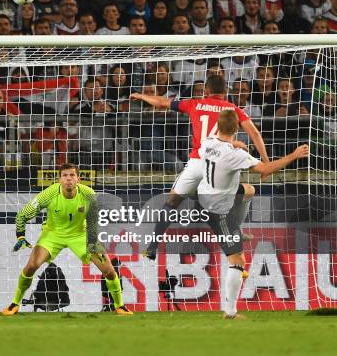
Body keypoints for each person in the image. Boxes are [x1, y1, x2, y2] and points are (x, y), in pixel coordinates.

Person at [130, 75, 269, 260]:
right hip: (221, 164)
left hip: (197, 162)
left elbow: (162, 102)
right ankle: (235, 230)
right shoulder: (233, 109)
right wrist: (266, 162)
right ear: (226, 91)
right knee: (242, 193)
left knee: (172, 202)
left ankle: (152, 247)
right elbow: (255, 133)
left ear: (206, 91)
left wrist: (141, 96)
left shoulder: (195, 103)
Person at [198, 109, 309, 319]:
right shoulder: (235, 155)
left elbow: (220, 147)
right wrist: (293, 155)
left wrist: (233, 144)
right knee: (238, 260)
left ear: (218, 126)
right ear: (238, 129)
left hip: (206, 195)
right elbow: (266, 168)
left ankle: (236, 229)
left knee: (249, 189)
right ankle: (230, 312)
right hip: (218, 210)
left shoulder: (208, 142)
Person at [2, 163, 133, 316]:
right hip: (52, 234)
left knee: (109, 271)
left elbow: (92, 222)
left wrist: (93, 245)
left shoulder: (89, 194)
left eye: (72, 175)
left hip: (81, 234)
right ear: (59, 179)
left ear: (78, 179)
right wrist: (21, 236)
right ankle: (15, 304)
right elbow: (22, 215)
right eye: (65, 175)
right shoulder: (49, 194)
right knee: (31, 266)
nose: (68, 179)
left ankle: (120, 306)